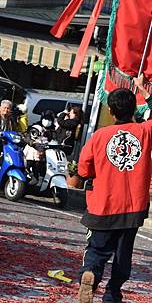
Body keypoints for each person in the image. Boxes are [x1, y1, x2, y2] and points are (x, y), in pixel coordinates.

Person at [77, 75, 152, 303]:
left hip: (103, 204)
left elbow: (83, 169)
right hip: (132, 206)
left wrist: (91, 175)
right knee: (122, 252)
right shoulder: (145, 132)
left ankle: (90, 273)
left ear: (111, 111)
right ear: (133, 110)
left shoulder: (99, 136)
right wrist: (145, 90)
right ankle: (113, 292)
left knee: (97, 249)